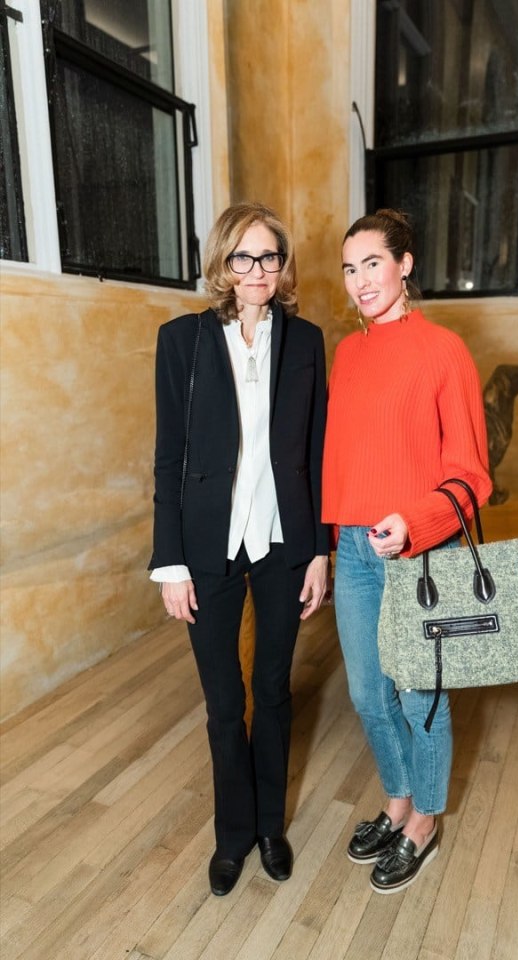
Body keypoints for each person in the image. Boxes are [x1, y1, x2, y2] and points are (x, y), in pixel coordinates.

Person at [149, 201, 329, 896]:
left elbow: (316, 451)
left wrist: (319, 551)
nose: (258, 270)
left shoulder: (306, 341)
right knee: (225, 700)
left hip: (283, 542)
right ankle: (233, 836)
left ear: (283, 265)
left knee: (274, 691)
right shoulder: (182, 341)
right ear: (223, 262)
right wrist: (170, 563)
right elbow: (169, 457)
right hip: (206, 547)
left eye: (270, 256)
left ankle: (270, 828)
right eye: (244, 256)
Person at [322, 209, 492, 894]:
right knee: (367, 692)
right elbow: (341, 460)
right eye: (349, 268)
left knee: (421, 695)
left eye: (373, 264)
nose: (360, 281)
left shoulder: (444, 351)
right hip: (352, 548)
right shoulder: (347, 353)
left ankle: (424, 820)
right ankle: (396, 801)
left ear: (405, 265)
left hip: (419, 551)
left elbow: (472, 475)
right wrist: (327, 544)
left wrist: (413, 522)